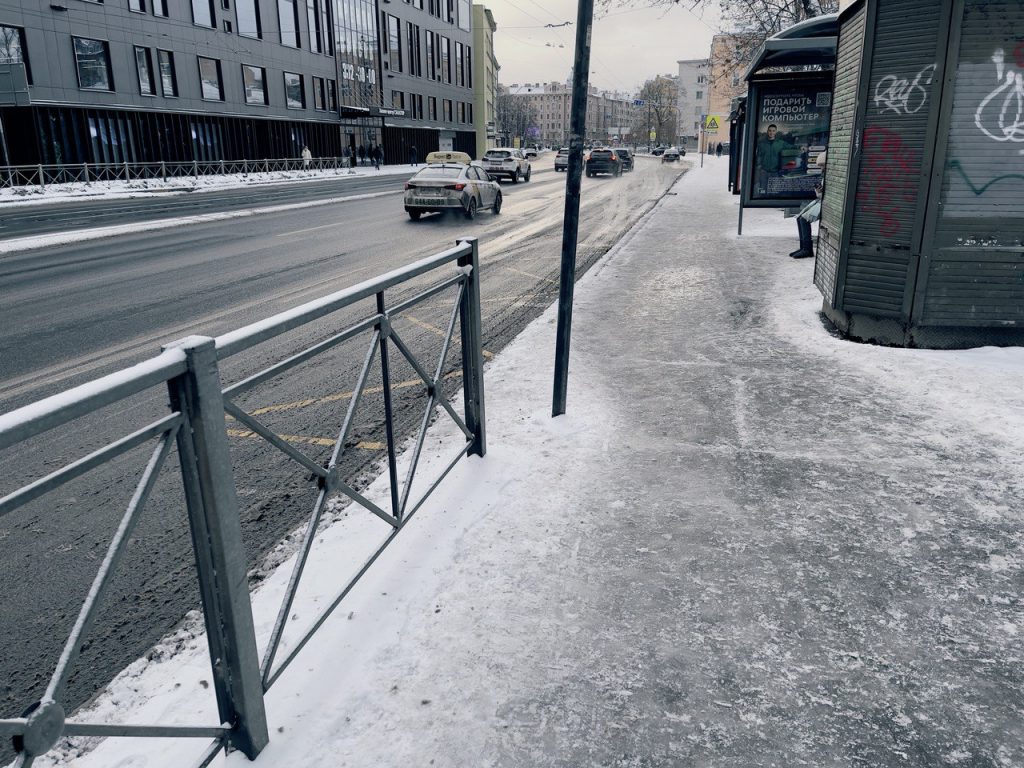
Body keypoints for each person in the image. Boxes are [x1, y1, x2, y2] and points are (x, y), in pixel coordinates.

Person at [790, 149, 827, 259]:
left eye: (822, 165)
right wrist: (819, 191)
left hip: (824, 203)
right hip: (820, 200)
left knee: (803, 219)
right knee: (799, 217)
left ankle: (807, 249)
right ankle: (803, 247)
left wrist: (821, 192)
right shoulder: (825, 174)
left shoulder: (829, 175)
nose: (821, 168)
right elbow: (820, 195)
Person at [755, 124, 792, 194]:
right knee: (763, 191)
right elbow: (759, 156)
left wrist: (800, 147)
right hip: (764, 172)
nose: (771, 132)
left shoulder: (780, 143)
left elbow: (790, 146)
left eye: (773, 131)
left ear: (775, 132)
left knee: (774, 192)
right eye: (770, 131)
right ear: (767, 131)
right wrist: (759, 165)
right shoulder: (762, 143)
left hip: (775, 172)